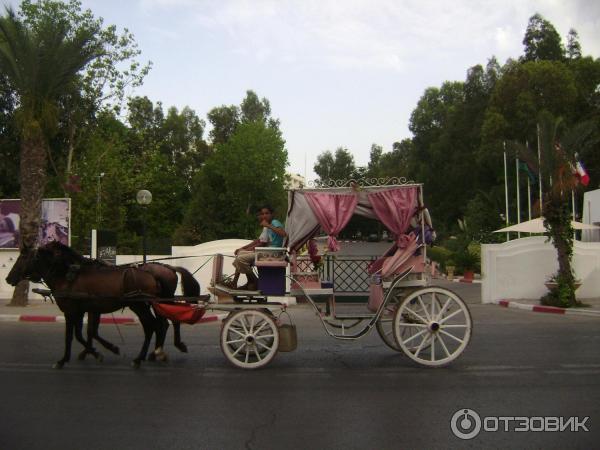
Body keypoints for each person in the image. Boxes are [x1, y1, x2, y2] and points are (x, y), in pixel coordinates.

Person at [225, 206, 287, 290]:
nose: (264, 216)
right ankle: (237, 282)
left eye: (267, 213)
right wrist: (244, 248)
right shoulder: (267, 226)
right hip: (267, 252)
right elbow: (259, 241)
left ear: (272, 214)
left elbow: (283, 234)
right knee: (240, 255)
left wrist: (268, 225)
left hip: (273, 253)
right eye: (263, 214)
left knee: (240, 259)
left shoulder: (274, 222)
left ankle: (254, 281)